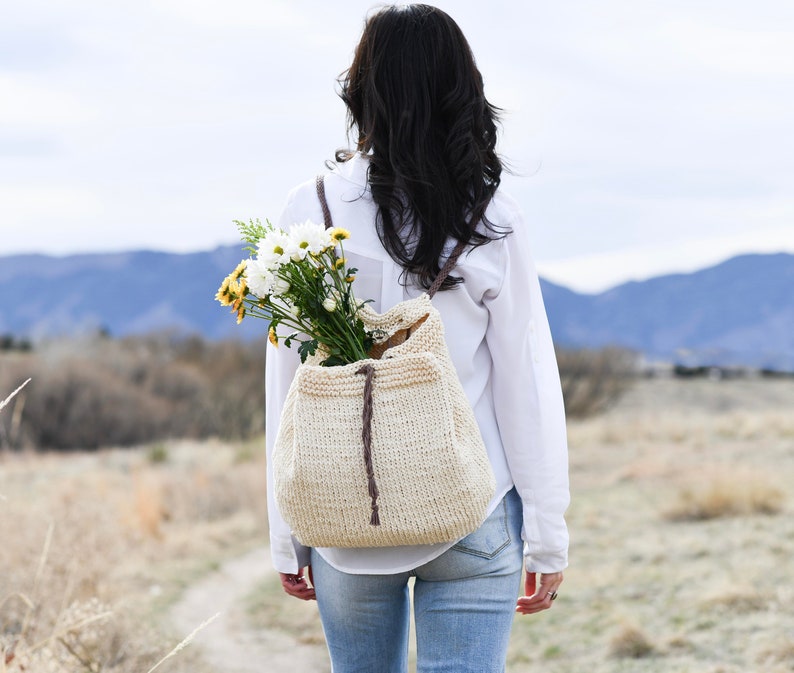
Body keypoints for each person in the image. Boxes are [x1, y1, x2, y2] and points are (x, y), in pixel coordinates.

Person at [265, 5, 569, 672]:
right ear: (461, 87)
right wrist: (548, 532)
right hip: (471, 507)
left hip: (349, 512)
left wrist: (285, 529)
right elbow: (527, 383)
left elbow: (289, 381)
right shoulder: (491, 218)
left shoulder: (309, 208)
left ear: (363, 88)